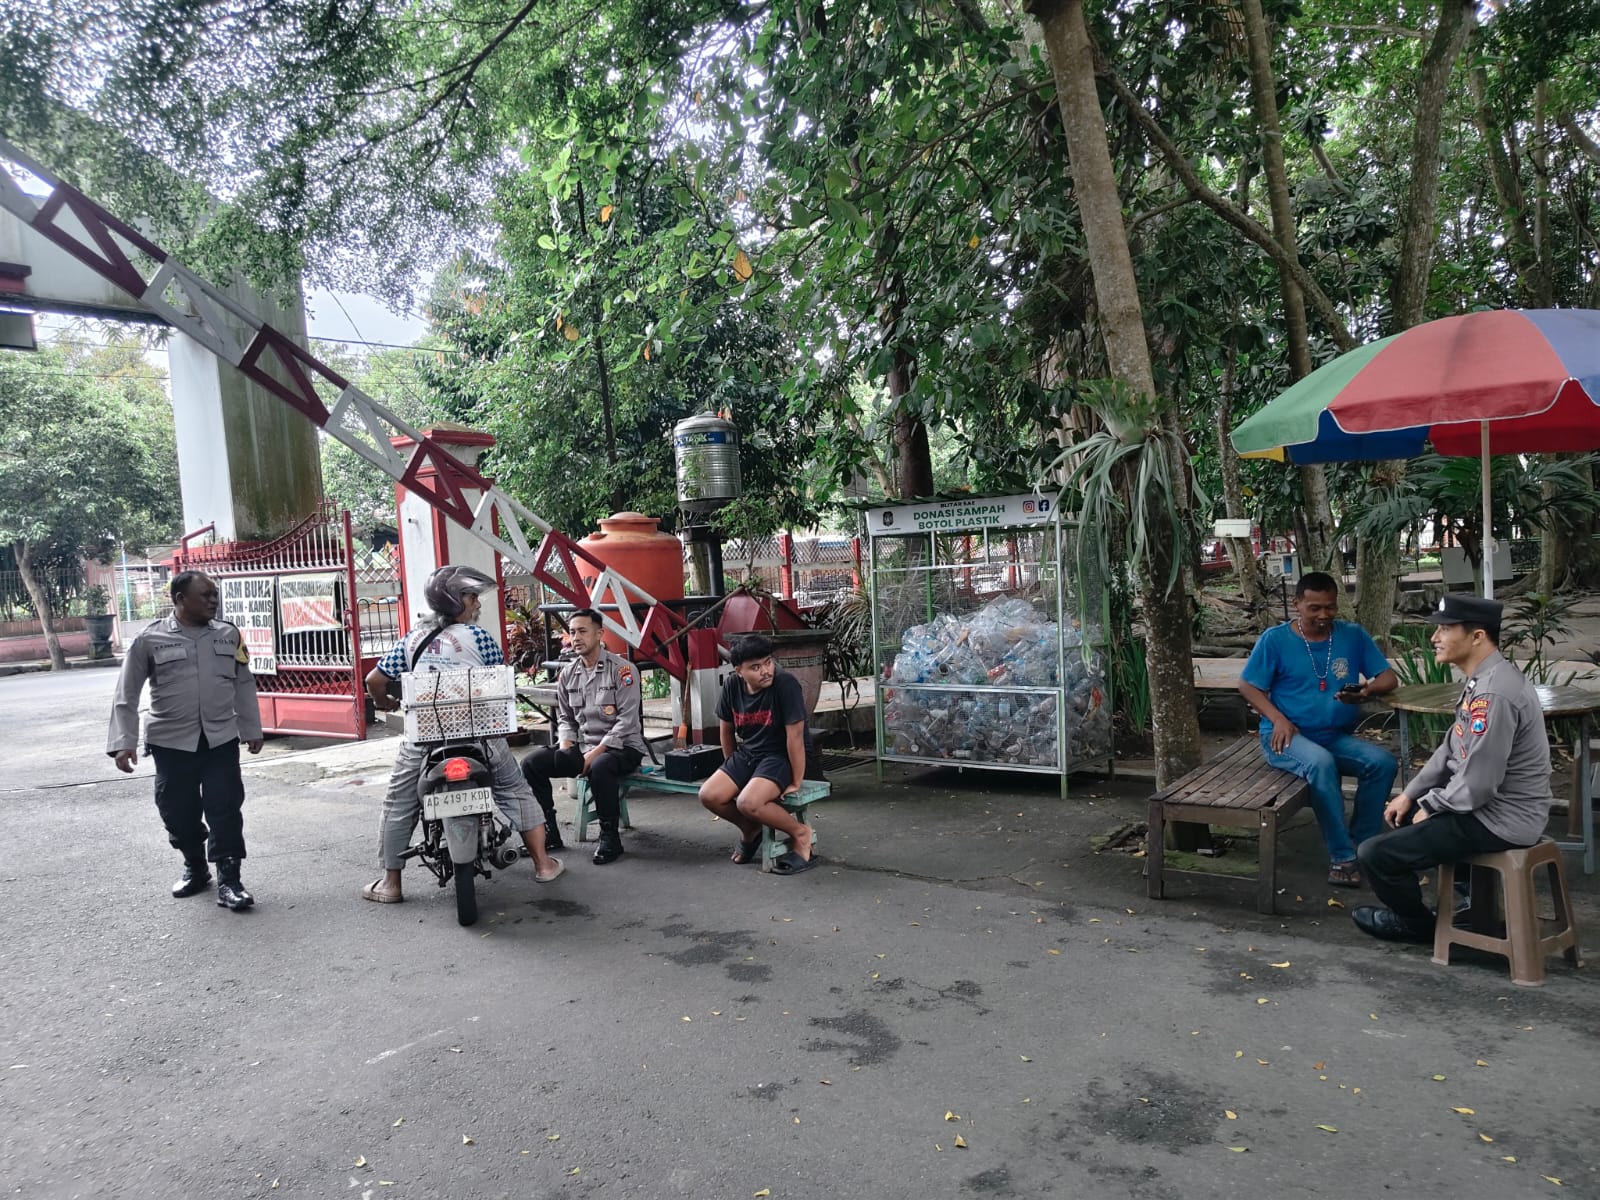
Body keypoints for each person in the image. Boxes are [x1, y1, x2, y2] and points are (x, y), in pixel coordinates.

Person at [1352, 595, 1554, 943]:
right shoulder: (1484, 680)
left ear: (1477, 636)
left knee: (1375, 855)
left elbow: (1479, 782)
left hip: (1502, 819)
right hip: (1488, 809)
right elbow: (1450, 748)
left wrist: (1432, 805)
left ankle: (1417, 926)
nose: (1435, 638)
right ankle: (1471, 900)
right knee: (1403, 814)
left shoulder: (1494, 694)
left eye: (1445, 629)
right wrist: (1412, 794)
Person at [362, 564, 562, 902]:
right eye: (471, 597)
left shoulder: (412, 640)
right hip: (480, 736)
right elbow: (498, 679)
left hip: (425, 739)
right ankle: (543, 865)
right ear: (455, 601)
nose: (477, 603)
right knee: (515, 791)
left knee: (399, 802)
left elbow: (374, 681)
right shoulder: (479, 638)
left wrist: (386, 703)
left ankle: (391, 883)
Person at [107, 570, 264, 910]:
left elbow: (243, 683)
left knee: (225, 808)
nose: (213, 600)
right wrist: (124, 741)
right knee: (177, 811)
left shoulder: (228, 634)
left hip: (220, 738)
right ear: (180, 599)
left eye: (214, 594)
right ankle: (195, 865)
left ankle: (230, 881)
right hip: (171, 741)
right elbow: (126, 692)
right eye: (205, 595)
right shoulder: (149, 639)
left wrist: (252, 728)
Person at [1238, 571, 1399, 887]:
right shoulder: (1275, 639)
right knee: (1321, 764)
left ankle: (1363, 843)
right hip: (1287, 737)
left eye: (1330, 607)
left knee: (1382, 763)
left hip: (1333, 736)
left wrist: (1366, 691)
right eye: (1314, 608)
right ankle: (1342, 856)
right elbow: (1248, 685)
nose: (1323, 614)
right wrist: (1278, 719)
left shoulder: (1352, 635)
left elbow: (1388, 678)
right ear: (1297, 604)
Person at [520, 608, 650, 865]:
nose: (576, 637)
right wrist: (567, 748)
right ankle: (549, 832)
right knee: (531, 763)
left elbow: (626, 722)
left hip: (624, 747)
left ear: (599, 634)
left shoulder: (622, 670)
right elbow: (566, 719)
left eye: (582, 631)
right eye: (572, 632)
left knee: (600, 766)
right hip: (584, 746)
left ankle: (610, 837)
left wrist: (593, 755)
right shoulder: (568, 674)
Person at [699, 634, 819, 874]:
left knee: (748, 802)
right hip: (749, 753)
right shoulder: (732, 686)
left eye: (768, 662)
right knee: (709, 795)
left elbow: (795, 737)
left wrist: (796, 780)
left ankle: (801, 834)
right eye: (756, 667)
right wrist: (732, 770)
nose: (766, 671)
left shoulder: (786, 685)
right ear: (739, 671)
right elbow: (726, 730)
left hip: (781, 755)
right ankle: (750, 829)